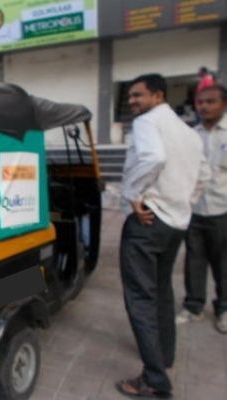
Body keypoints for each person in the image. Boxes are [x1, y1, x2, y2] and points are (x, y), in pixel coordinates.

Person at [116, 74, 210, 399]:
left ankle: (154, 380)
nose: (132, 101)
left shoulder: (147, 122)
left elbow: (153, 157)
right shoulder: (190, 133)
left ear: (158, 96)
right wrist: (183, 203)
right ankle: (165, 356)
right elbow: (204, 176)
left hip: (147, 221)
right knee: (162, 292)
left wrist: (133, 194)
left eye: (138, 95)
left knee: (141, 298)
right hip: (175, 223)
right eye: (130, 96)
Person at [176, 85, 227, 333]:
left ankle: (224, 309)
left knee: (223, 262)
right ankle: (194, 306)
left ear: (224, 104)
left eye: (210, 101)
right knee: (194, 260)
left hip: (223, 209)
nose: (204, 106)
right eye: (200, 102)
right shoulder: (191, 135)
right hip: (194, 209)